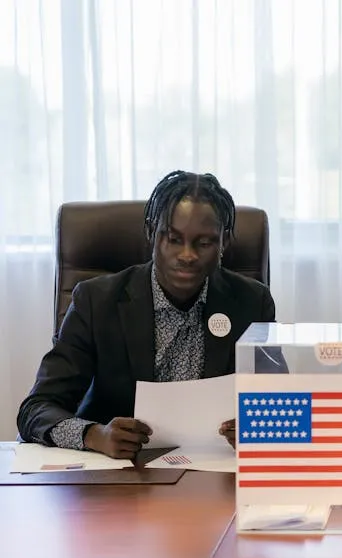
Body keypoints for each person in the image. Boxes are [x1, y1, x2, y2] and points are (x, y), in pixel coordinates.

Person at [17, 170, 276, 459]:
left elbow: (279, 406)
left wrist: (259, 427)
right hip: (122, 479)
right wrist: (94, 435)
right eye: (173, 239)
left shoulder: (253, 303)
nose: (187, 255)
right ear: (152, 233)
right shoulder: (96, 301)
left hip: (215, 475)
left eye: (204, 243)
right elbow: (36, 409)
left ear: (224, 242)